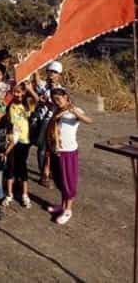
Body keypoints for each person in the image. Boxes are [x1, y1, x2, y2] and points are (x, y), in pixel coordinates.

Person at [46, 87, 93, 224]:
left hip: (68, 151)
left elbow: (89, 121)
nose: (57, 102)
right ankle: (62, 205)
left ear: (66, 97)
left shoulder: (73, 109)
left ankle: (68, 210)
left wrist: (76, 113)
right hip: (57, 150)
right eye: (54, 99)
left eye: (59, 99)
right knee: (60, 180)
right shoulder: (57, 111)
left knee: (69, 181)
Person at [4, 82, 37, 208]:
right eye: (14, 92)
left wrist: (29, 89)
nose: (17, 94)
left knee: (22, 166)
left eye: (19, 92)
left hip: (24, 140)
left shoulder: (26, 105)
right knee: (10, 166)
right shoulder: (10, 105)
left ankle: (24, 194)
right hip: (12, 140)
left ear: (23, 93)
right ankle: (9, 194)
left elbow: (36, 99)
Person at [32, 61, 64, 187]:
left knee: (46, 148)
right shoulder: (44, 85)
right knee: (41, 147)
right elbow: (37, 79)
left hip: (50, 120)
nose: (51, 74)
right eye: (50, 72)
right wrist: (33, 64)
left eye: (54, 72)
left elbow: (57, 104)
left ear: (59, 75)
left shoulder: (60, 90)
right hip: (37, 118)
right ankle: (44, 172)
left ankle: (44, 174)